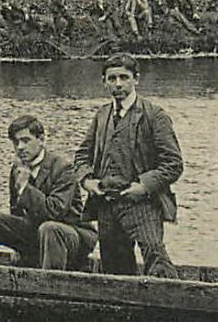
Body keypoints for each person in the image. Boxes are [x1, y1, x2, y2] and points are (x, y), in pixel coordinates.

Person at [73, 53, 184, 278]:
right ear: (104, 81)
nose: (118, 84)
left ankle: (172, 307)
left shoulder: (154, 115)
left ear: (136, 79)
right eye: (112, 78)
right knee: (114, 270)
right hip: (106, 204)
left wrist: (143, 186)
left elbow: (173, 164)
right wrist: (87, 181)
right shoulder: (102, 115)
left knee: (157, 261)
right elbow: (82, 155)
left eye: (124, 77)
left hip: (143, 204)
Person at [0, 114, 97, 270]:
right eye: (16, 142)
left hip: (72, 234)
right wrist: (18, 247)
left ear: (41, 140)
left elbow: (55, 212)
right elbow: (16, 212)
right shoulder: (18, 169)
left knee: (50, 228)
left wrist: (25, 188)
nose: (20, 147)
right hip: (38, 232)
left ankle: (48, 287)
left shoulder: (63, 168)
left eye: (25, 140)